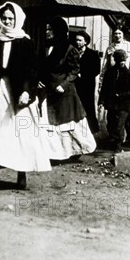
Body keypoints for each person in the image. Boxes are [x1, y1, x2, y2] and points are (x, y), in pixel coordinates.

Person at [0, 2, 55, 195]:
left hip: (18, 93)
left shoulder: (26, 42)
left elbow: (32, 71)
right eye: (5, 18)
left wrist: (27, 91)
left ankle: (21, 174)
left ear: (17, 19)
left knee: (20, 134)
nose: (8, 21)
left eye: (11, 18)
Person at [38, 17, 97, 160]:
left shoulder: (70, 50)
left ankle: (77, 150)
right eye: (46, 29)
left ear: (58, 31)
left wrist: (63, 85)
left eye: (50, 29)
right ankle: (55, 154)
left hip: (65, 93)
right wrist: (39, 80)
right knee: (50, 122)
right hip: (49, 91)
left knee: (68, 124)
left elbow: (74, 71)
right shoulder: (45, 47)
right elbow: (41, 68)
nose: (47, 32)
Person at [98, 49, 130, 153]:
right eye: (120, 61)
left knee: (119, 125)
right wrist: (101, 102)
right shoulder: (109, 73)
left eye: (124, 61)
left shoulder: (129, 74)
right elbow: (104, 89)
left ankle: (118, 146)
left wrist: (122, 95)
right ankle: (113, 141)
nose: (122, 63)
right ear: (115, 60)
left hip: (123, 104)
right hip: (111, 104)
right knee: (110, 124)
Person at [74, 30, 101, 134]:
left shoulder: (93, 54)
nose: (77, 42)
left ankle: (91, 131)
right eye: (76, 40)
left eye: (80, 40)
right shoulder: (73, 52)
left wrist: (83, 74)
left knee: (88, 107)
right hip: (75, 84)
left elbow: (96, 69)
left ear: (85, 42)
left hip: (87, 85)